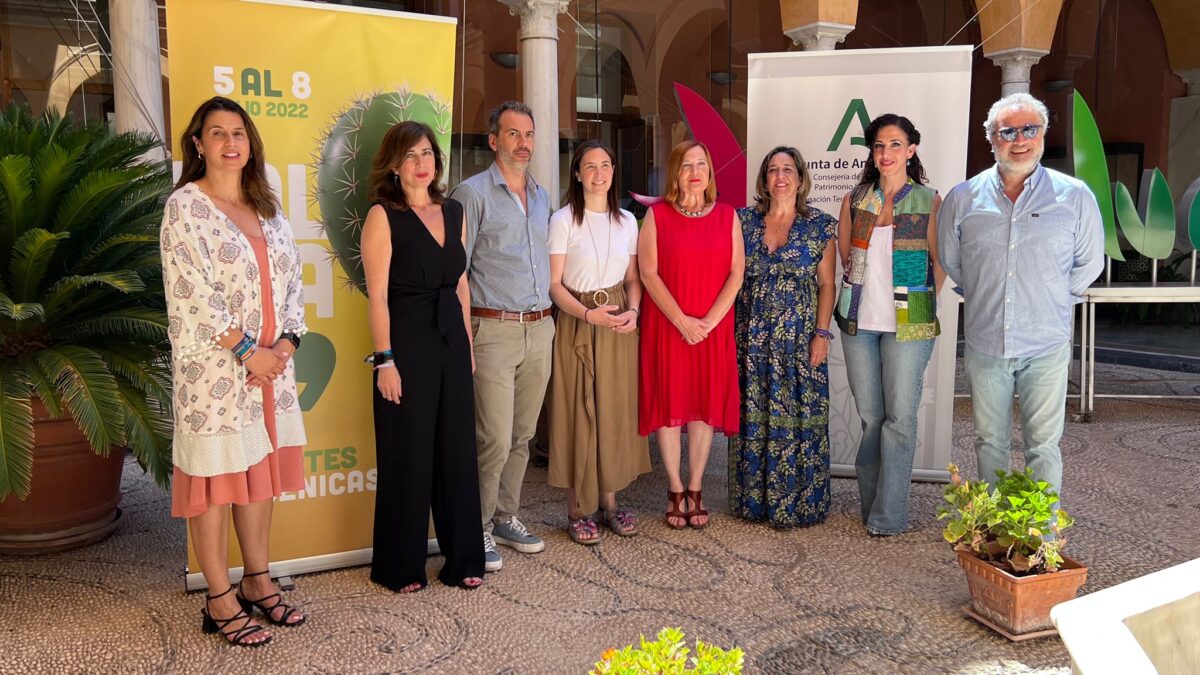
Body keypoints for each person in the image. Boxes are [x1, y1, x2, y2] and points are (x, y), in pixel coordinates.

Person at [161, 96, 307, 646]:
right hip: (216, 374)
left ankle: (258, 580)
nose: (230, 143)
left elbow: (293, 283)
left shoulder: (268, 207)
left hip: (271, 371)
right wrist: (249, 351)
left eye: (239, 133)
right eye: (217, 133)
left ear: (250, 143)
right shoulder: (185, 208)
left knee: (258, 477)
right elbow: (192, 292)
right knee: (217, 483)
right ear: (198, 144)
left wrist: (285, 345)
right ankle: (219, 597)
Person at [938, 93, 1104, 497]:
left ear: (1043, 134)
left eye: (1029, 129)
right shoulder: (963, 198)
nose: (1019, 140)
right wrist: (986, 291)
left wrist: (1050, 297)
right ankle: (995, 526)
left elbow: (1089, 264)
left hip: (1046, 343)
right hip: (986, 342)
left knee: (1043, 446)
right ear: (991, 138)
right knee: (989, 442)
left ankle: (1040, 530)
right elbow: (952, 261)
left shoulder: (1075, 196)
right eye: (1007, 131)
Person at [360, 121, 485, 592]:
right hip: (407, 346)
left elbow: (461, 284)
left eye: (427, 153)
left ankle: (464, 558)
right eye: (410, 155)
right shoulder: (382, 216)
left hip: (452, 341)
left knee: (457, 453)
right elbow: (376, 297)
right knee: (408, 454)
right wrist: (385, 361)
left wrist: (467, 347)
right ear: (394, 165)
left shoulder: (454, 211)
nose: (421, 163)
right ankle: (400, 565)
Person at [448, 101, 551, 571]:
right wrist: (464, 338)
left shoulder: (542, 196)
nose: (523, 143)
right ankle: (478, 524)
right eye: (513, 134)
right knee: (491, 436)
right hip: (492, 329)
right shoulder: (471, 194)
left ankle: (506, 516)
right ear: (494, 140)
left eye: (528, 134)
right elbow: (457, 272)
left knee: (522, 434)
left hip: (540, 328)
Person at [836, 114, 946, 537]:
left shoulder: (928, 200)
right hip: (860, 324)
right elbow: (847, 259)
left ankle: (889, 514)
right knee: (871, 417)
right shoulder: (855, 199)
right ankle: (872, 505)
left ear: (911, 150)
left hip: (909, 326)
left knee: (899, 418)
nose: (886, 153)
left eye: (895, 144)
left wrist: (921, 305)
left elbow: (940, 264)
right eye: (879, 145)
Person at [547, 140, 650, 545]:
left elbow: (633, 279)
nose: (599, 173)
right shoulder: (563, 220)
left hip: (618, 323)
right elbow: (554, 285)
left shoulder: (627, 221)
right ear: (577, 174)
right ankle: (577, 509)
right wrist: (589, 315)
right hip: (579, 321)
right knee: (578, 411)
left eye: (605, 164)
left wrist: (634, 312)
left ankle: (609, 502)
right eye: (590, 166)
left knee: (613, 410)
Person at [638, 140, 745, 529]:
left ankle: (696, 487)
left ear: (710, 172)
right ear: (675, 172)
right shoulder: (657, 216)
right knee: (670, 405)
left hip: (712, 329)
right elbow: (648, 273)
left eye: (702, 164)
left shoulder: (728, 216)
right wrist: (683, 321)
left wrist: (709, 322)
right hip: (668, 326)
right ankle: (674, 487)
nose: (695, 171)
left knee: (703, 405)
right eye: (686, 165)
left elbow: (736, 273)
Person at [729, 146, 837, 528]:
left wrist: (821, 334)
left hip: (799, 342)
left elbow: (827, 284)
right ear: (764, 179)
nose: (780, 177)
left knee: (801, 418)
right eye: (773, 170)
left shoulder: (820, 226)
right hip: (751, 341)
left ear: (801, 178)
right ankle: (753, 503)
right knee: (752, 417)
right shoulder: (742, 222)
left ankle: (801, 504)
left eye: (788, 169)